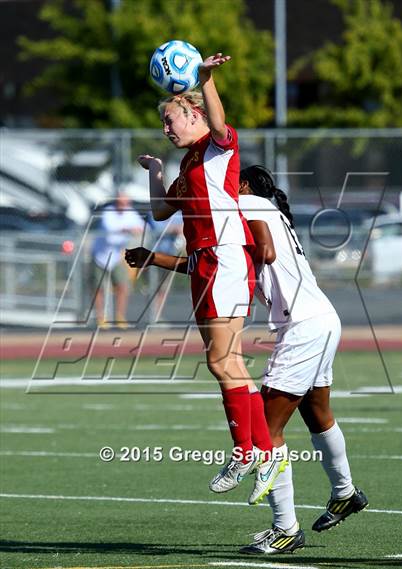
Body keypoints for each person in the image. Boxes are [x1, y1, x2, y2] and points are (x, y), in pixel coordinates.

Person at [126, 165, 368, 555]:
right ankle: (344, 492)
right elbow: (205, 265)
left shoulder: (247, 203)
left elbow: (265, 251)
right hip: (322, 318)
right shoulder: (258, 209)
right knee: (318, 414)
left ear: (240, 185)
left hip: (303, 327)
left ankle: (285, 528)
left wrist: (242, 267)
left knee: (264, 430)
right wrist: (155, 259)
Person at [131, 53, 283, 506]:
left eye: (171, 119)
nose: (166, 128)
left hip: (222, 259)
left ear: (193, 113)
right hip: (205, 263)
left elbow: (219, 124)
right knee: (229, 361)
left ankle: (247, 451)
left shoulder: (216, 148)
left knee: (220, 361)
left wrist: (206, 79)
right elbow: (160, 210)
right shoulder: (185, 167)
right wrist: (157, 172)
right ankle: (263, 452)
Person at [91, 192, 145, 328]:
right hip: (100, 256)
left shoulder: (131, 213)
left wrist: (134, 229)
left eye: (126, 203)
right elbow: (111, 232)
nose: (124, 206)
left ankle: (120, 316)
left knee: (123, 286)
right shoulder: (108, 213)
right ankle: (100, 318)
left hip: (116, 256)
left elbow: (143, 227)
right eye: (121, 203)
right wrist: (128, 229)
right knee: (99, 288)